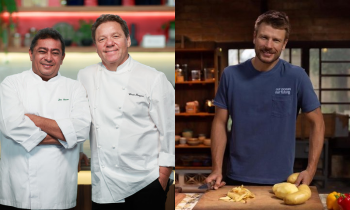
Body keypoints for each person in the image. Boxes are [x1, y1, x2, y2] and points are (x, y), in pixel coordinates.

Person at [206, 10, 325, 189]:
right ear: (254, 37)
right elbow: (219, 122)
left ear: (284, 44)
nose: (269, 45)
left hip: (282, 181)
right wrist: (216, 168)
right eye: (264, 37)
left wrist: (311, 169)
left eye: (276, 40)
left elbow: (318, 123)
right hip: (236, 178)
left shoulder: (296, 76)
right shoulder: (231, 75)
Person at [77, 14, 174, 210]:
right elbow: (80, 119)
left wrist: (163, 176)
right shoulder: (85, 76)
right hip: (104, 183)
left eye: (115, 36)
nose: (109, 43)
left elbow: (169, 130)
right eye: (101, 39)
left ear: (128, 40)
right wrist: (77, 151)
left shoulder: (153, 78)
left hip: (146, 181)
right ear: (95, 46)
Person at [0, 28, 91, 209]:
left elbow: (81, 131)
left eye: (55, 53)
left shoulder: (75, 88)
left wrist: (34, 119)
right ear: (31, 54)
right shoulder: (11, 84)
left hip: (60, 192)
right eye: (42, 51)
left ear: (62, 58)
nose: (48, 57)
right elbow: (12, 126)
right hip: (19, 191)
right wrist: (66, 137)